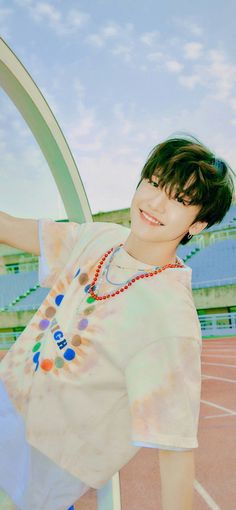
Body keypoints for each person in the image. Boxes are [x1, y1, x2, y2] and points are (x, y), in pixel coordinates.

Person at [0, 134, 234, 510]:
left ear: (198, 224)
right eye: (155, 183)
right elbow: (10, 227)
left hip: (34, 478)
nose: (156, 202)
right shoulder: (100, 238)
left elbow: (174, 452)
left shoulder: (169, 317)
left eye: (179, 199)